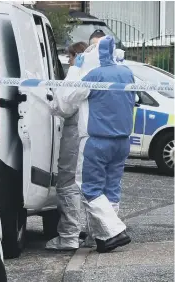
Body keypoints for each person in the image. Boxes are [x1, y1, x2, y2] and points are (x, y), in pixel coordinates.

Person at [56, 35, 135, 253]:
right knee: (111, 188)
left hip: (96, 141)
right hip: (122, 142)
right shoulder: (126, 72)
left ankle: (114, 231)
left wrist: (74, 70)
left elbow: (64, 101)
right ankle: (103, 238)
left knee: (88, 188)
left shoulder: (93, 75)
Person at [45, 41, 89, 251]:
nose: (69, 61)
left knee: (68, 184)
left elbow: (64, 105)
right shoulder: (95, 74)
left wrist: (51, 102)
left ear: (76, 57)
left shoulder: (78, 75)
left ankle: (69, 236)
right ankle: (92, 234)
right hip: (94, 136)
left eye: (70, 57)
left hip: (75, 135)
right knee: (90, 185)